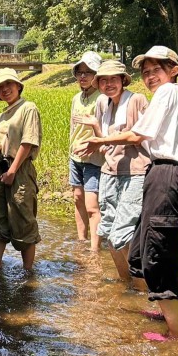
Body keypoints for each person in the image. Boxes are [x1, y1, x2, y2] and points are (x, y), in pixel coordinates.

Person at [77, 46, 178, 341]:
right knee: (143, 249)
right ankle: (162, 308)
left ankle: (175, 334)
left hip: (169, 173)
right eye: (146, 72)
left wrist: (98, 140)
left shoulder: (168, 93)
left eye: (156, 70)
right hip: (160, 171)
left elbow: (136, 136)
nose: (150, 77)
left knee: (159, 251)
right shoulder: (164, 97)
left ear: (173, 70)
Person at [77, 60, 151, 287]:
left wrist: (100, 139)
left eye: (114, 79)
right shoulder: (103, 103)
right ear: (98, 84)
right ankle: (126, 284)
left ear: (123, 80)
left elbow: (139, 136)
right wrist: (96, 138)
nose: (109, 84)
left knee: (123, 234)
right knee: (108, 233)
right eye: (104, 80)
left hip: (134, 173)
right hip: (109, 172)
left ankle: (141, 289)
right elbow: (107, 144)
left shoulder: (136, 100)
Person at [0, 68, 42, 270]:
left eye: (8, 84)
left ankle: (28, 272)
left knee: (22, 214)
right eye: (0, 87)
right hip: (0, 165)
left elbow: (28, 143)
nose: (5, 89)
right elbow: (4, 144)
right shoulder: (0, 117)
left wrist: (12, 172)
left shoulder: (28, 108)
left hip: (20, 168)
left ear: (18, 85)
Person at [69, 51, 104, 252]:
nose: (83, 76)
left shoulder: (102, 98)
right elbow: (72, 128)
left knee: (92, 206)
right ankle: (81, 241)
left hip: (94, 158)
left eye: (88, 72)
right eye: (80, 72)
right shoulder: (76, 98)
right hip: (75, 157)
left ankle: (94, 250)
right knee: (77, 198)